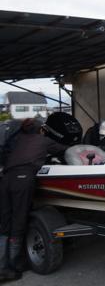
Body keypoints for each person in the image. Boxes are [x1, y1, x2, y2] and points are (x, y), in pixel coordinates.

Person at [0, 118, 67, 281]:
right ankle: (14, 267)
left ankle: (2, 267)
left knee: (5, 222)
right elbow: (65, 150)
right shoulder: (43, 141)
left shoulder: (17, 140)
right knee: (19, 221)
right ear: (40, 130)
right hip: (23, 179)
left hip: (5, 179)